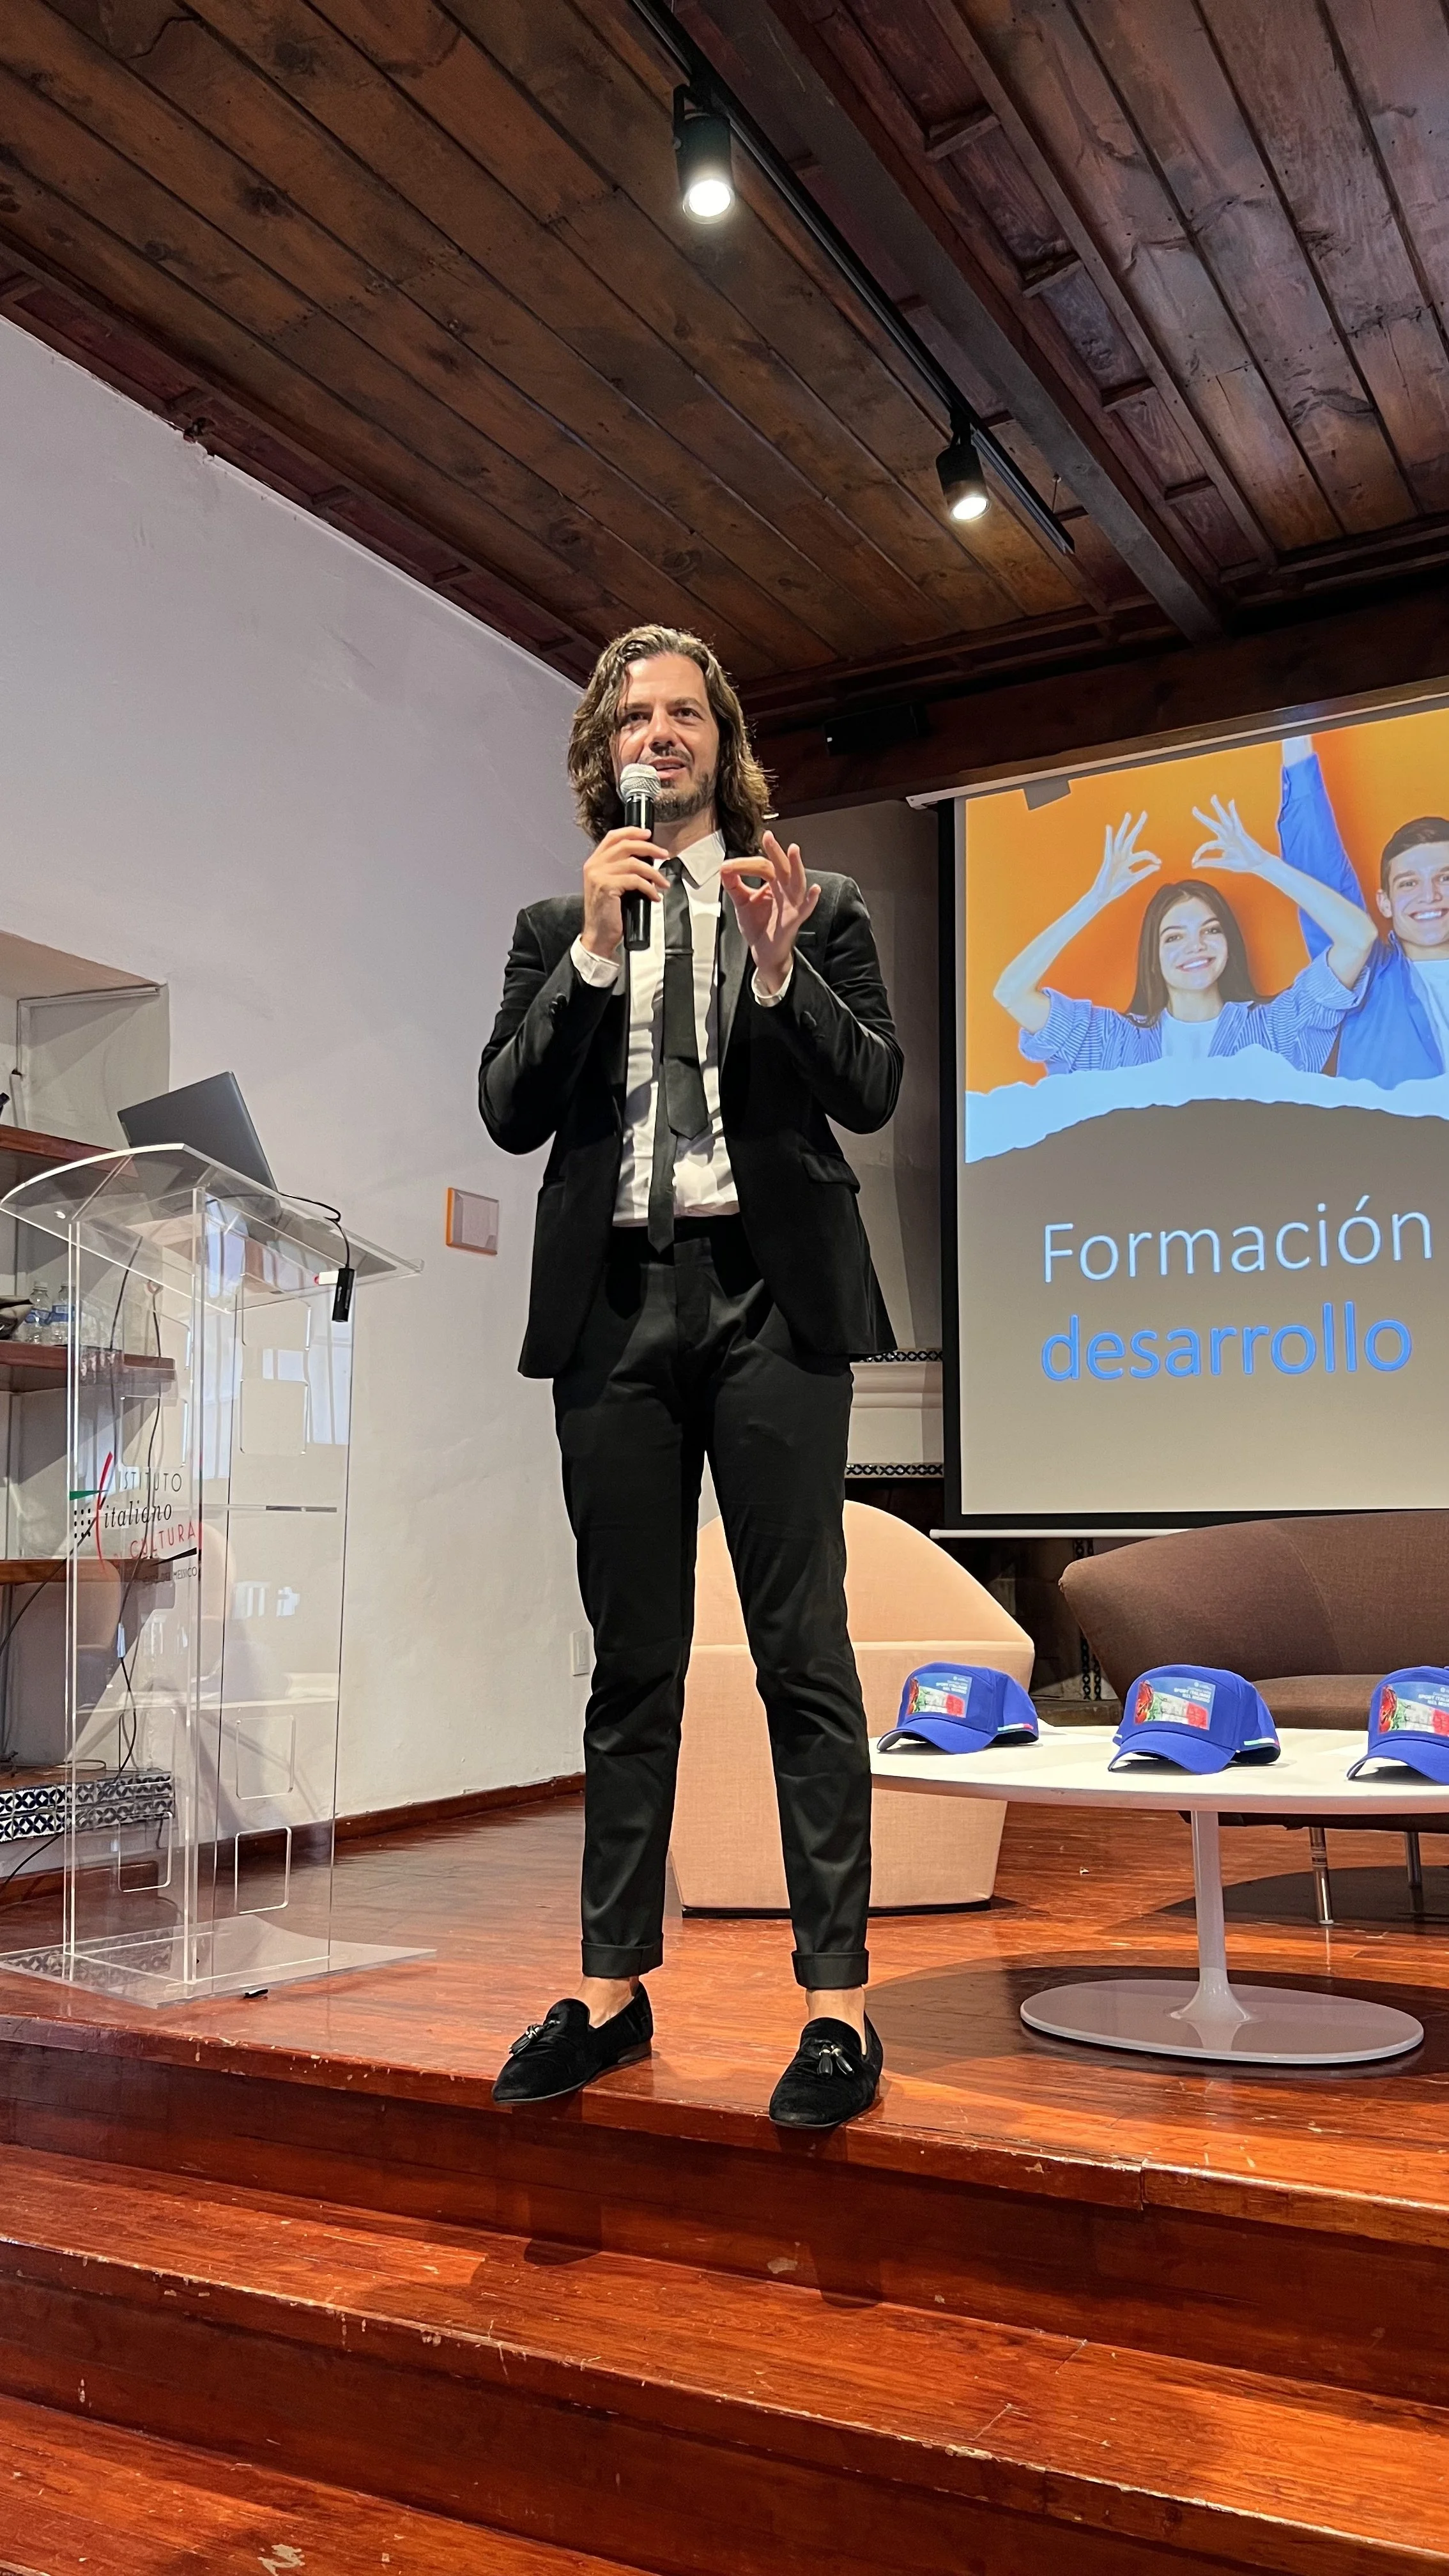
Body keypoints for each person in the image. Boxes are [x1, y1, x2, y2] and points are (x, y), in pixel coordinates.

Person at [478, 624, 901, 2129]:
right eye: (632, 717)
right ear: (600, 755)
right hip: (615, 1312)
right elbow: (510, 1111)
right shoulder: (560, 921)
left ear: (723, 738)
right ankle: (610, 1989)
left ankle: (837, 2004)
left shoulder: (813, 899)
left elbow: (874, 1088)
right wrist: (594, 956)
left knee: (803, 1652)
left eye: (683, 713)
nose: (659, 734)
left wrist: (784, 978)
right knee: (630, 1663)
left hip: (771, 1302)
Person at [993, 802, 1376, 1073]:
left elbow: (1359, 937)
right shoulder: (1110, 1041)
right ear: (1153, 956)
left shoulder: (1276, 1028)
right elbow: (1011, 993)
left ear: (1230, 942)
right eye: (1174, 937)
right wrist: (1094, 900)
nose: (1196, 946)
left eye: (1211, 930)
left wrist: (1266, 866)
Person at [1277, 734, 1449, 1085]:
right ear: (1385, 902)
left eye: (1445, 878)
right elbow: (1319, 866)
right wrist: (1292, 716)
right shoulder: (1366, 975)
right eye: (1408, 883)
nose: (1430, 895)